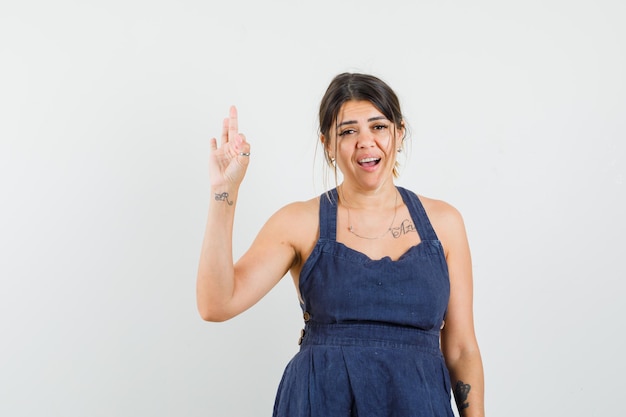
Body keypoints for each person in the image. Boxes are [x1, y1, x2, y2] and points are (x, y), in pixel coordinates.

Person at [197, 72, 485, 417]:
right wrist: (223, 192)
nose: (365, 141)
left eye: (378, 126)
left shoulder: (444, 224)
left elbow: (462, 350)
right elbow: (215, 304)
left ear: (399, 132)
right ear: (328, 145)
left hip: (417, 404)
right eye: (348, 131)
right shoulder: (300, 222)